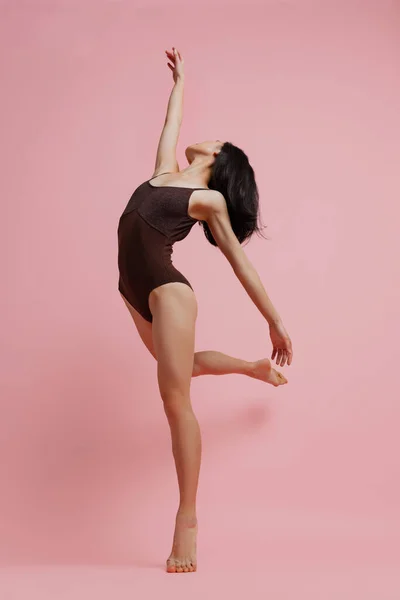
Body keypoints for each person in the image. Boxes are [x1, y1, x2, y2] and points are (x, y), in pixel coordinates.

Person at [117, 47, 293, 573]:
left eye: (213, 137)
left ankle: (187, 520)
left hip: (167, 291)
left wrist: (275, 319)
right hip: (130, 289)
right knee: (183, 366)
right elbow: (171, 122)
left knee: (175, 398)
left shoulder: (207, 200)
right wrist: (180, 81)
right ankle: (251, 369)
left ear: (218, 157)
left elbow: (241, 266)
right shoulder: (162, 172)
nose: (202, 133)